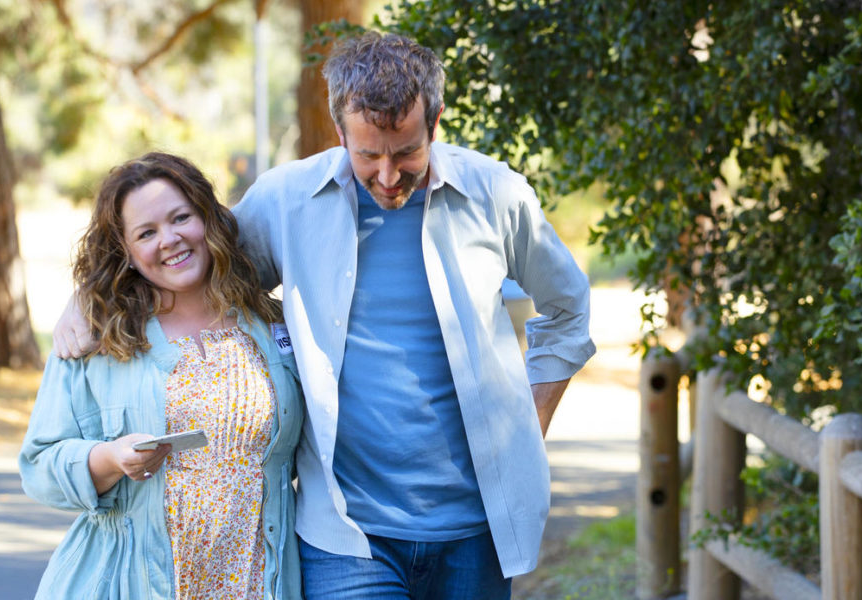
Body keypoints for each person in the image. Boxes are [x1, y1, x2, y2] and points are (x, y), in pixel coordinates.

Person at [56, 32, 595, 599]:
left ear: (435, 122)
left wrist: (528, 423)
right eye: (368, 155)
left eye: (406, 152)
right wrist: (91, 293)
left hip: (476, 531)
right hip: (345, 538)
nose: (388, 176)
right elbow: (191, 266)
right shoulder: (287, 201)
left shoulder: (496, 195)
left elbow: (568, 309)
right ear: (339, 131)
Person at [20, 152, 304, 599]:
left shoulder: (271, 323)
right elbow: (39, 466)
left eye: (180, 218)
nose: (169, 240)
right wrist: (108, 459)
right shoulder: (97, 335)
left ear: (208, 219)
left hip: (258, 583)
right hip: (129, 584)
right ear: (127, 252)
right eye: (146, 233)